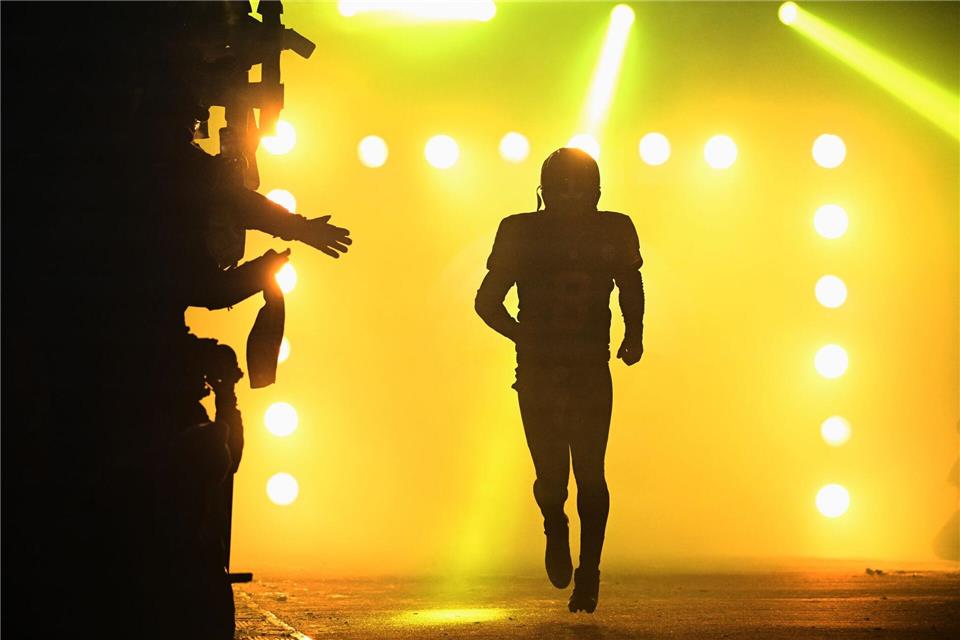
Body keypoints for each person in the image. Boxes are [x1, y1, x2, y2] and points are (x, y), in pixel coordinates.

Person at [475, 147, 645, 613]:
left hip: (589, 365)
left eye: (579, 187)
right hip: (539, 370)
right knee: (552, 478)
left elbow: (630, 283)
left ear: (596, 191)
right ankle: (555, 524)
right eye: (563, 187)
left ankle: (589, 572)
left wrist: (634, 332)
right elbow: (487, 301)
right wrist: (525, 336)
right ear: (545, 191)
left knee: (591, 474)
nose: (571, 197)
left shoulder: (611, 228)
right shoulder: (521, 232)